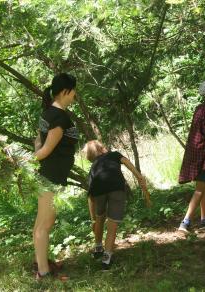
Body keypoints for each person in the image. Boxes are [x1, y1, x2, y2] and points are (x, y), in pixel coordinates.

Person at [33, 73, 78, 280]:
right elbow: (44, 150)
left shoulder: (48, 113)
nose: (75, 95)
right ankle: (43, 272)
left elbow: (37, 140)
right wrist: (26, 162)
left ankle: (43, 262)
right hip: (49, 177)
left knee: (46, 223)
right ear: (65, 91)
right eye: (74, 91)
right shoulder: (59, 118)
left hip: (52, 176)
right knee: (43, 224)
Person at [82, 140, 150, 269]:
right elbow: (128, 164)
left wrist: (93, 219)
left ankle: (98, 249)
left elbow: (90, 196)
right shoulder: (114, 155)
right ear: (102, 148)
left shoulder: (93, 167)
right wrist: (140, 178)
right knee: (112, 225)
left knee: (100, 218)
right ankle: (106, 259)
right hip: (117, 189)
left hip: (98, 191)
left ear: (90, 156)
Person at [177, 80, 205, 233]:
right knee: (200, 187)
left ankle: (204, 218)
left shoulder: (200, 108)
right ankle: (185, 221)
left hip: (196, 151)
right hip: (204, 153)